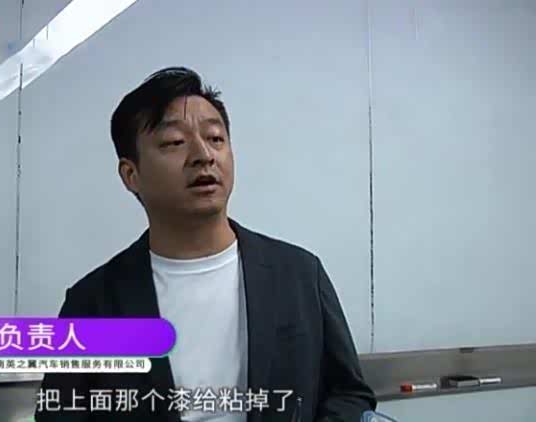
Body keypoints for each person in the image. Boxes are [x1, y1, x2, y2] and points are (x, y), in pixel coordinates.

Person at [35, 66, 376, 422]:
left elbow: (349, 394)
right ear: (131, 175)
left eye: (215, 138)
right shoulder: (93, 303)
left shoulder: (300, 275)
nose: (203, 155)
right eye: (174, 142)